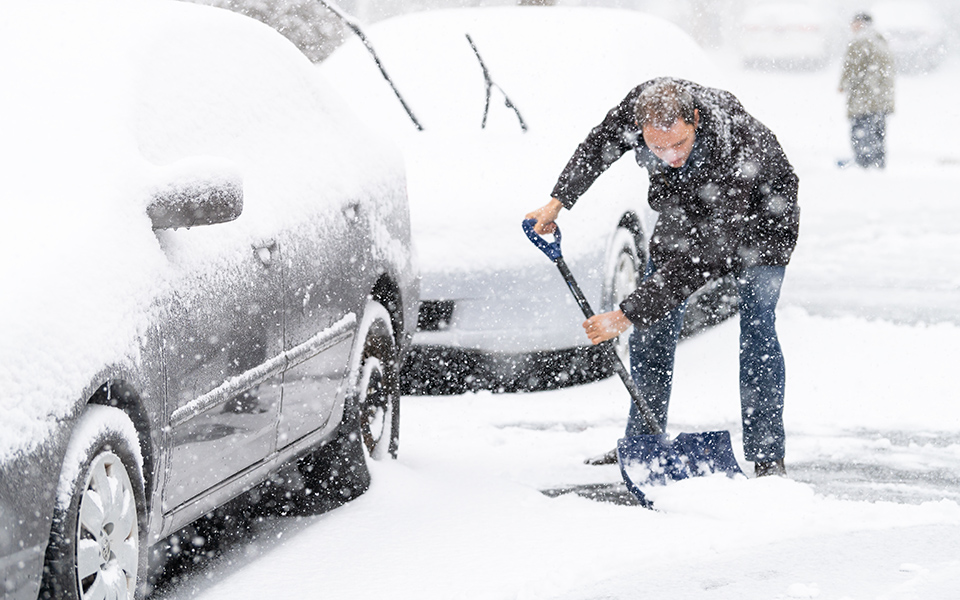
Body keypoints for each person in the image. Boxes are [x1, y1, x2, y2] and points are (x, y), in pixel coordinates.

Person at [525, 78, 799, 477]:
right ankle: (644, 442)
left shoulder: (736, 149)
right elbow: (598, 146)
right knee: (652, 326)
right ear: (641, 130)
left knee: (757, 329)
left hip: (763, 221)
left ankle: (767, 455)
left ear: (695, 120)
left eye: (679, 144)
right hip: (687, 206)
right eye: (657, 148)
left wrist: (624, 314)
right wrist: (557, 202)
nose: (671, 156)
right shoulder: (637, 109)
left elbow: (702, 259)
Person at [839, 11, 895, 169]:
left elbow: (852, 68)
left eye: (854, 23)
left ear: (860, 23)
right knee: (878, 134)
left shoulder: (860, 41)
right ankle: (877, 164)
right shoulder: (880, 39)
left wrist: (843, 84)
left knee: (861, 133)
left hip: (864, 99)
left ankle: (863, 165)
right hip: (881, 98)